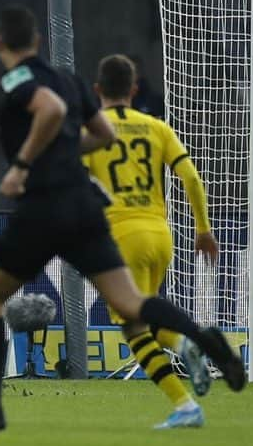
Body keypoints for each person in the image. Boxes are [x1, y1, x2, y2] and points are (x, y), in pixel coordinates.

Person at [0, 6, 245, 433]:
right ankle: (203, 339)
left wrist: (21, 165)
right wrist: (67, 152)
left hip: (43, 206)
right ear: (37, 41)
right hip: (86, 207)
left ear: (1, 45)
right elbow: (103, 135)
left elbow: (49, 110)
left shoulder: (18, 79)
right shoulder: (71, 80)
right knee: (131, 304)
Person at [83, 53, 218, 419]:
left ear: (98, 91)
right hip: (161, 234)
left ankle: (184, 401)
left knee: (133, 327)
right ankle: (182, 348)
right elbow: (190, 177)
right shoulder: (156, 127)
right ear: (135, 89)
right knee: (143, 315)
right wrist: (203, 230)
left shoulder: (90, 133)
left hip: (122, 236)